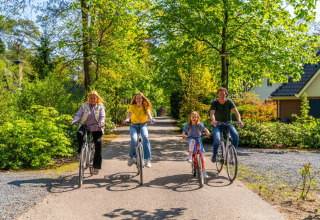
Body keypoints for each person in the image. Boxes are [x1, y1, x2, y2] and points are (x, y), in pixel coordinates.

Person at [71, 91, 105, 175]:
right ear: (88, 98)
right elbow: (78, 115)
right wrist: (75, 120)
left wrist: (102, 123)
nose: (92, 99)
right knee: (79, 133)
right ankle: (81, 148)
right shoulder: (84, 105)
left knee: (98, 144)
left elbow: (102, 116)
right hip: (85, 125)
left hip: (96, 127)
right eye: (91, 98)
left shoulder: (100, 106)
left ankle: (96, 166)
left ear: (97, 99)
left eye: (94, 98)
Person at [210, 87, 244, 163]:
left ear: (226, 94)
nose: (222, 95)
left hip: (228, 124)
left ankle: (232, 154)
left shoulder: (229, 101)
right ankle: (215, 154)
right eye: (220, 94)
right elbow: (212, 113)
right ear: (218, 94)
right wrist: (214, 120)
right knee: (217, 139)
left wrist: (239, 121)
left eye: (223, 94)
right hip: (217, 124)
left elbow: (236, 112)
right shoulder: (214, 102)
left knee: (235, 136)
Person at [123, 92, 156, 168]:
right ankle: (131, 158)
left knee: (145, 137)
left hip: (143, 125)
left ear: (142, 99)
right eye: (137, 98)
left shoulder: (145, 107)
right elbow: (129, 115)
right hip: (133, 126)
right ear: (135, 99)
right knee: (134, 140)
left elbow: (149, 115)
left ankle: (148, 159)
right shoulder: (132, 107)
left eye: (139, 98)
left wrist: (151, 119)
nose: (138, 99)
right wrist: (127, 120)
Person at [182, 111, 211, 178]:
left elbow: (205, 130)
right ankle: (190, 155)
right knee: (192, 141)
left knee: (202, 157)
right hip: (191, 139)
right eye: (193, 117)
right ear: (190, 118)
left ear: (198, 118)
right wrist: (184, 135)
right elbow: (183, 132)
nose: (194, 118)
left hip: (198, 140)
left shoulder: (199, 124)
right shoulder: (188, 125)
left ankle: (204, 171)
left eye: (196, 117)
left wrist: (207, 132)